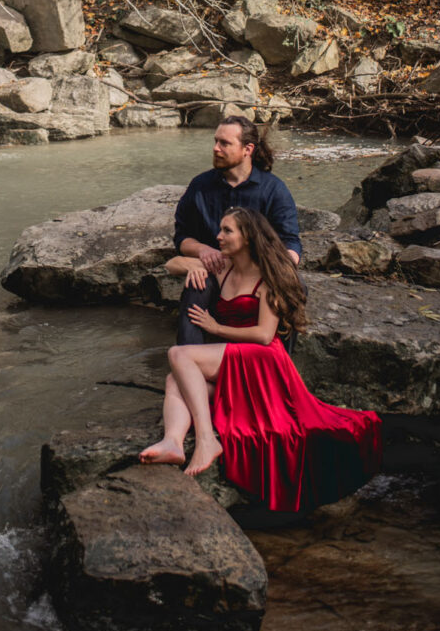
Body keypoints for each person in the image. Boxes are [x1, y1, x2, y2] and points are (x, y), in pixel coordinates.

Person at [140, 207, 382, 510]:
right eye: (221, 229)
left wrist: (216, 328)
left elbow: (265, 335)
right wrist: (193, 265)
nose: (218, 236)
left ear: (248, 237)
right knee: (174, 379)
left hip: (263, 358)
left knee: (179, 354)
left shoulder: (268, 276)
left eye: (227, 231)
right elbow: (171, 263)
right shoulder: (223, 267)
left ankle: (205, 440)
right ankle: (173, 442)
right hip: (235, 357)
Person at [174, 116, 300, 346]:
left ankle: (280, 364)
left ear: (247, 149)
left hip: (258, 275)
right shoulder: (199, 186)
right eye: (215, 141)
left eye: (224, 143)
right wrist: (202, 250)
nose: (215, 148)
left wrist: (277, 274)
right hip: (215, 272)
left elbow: (290, 243)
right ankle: (190, 358)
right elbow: (182, 237)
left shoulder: (274, 190)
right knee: (197, 286)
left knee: (294, 288)